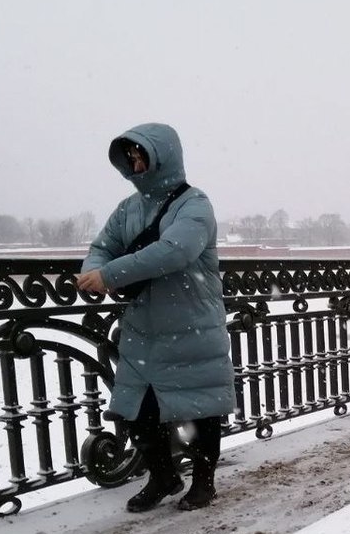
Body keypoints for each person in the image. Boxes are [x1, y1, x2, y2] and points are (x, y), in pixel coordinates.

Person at [78, 123, 234, 512]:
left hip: (191, 326)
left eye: (140, 155)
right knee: (136, 411)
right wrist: (94, 271)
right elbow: (102, 247)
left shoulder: (194, 204)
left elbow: (174, 251)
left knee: (199, 411)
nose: (134, 163)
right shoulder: (128, 208)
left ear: (162, 155)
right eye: (129, 157)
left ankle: (203, 482)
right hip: (144, 331)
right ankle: (163, 477)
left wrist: (110, 275)